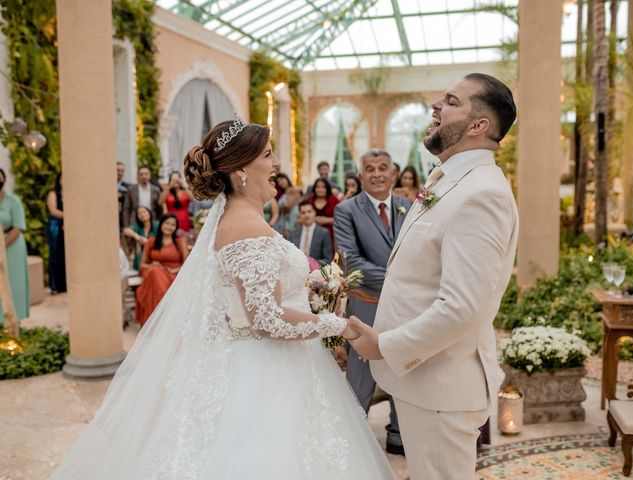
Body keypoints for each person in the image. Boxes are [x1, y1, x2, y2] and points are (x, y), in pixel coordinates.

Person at [50, 118, 394, 479]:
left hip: (271, 360)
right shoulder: (244, 225)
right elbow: (269, 320)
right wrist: (345, 326)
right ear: (242, 168)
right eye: (268, 154)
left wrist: (309, 293)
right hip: (268, 371)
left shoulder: (239, 219)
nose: (276, 164)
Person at [349, 73, 519, 479]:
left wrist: (385, 344)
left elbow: (463, 308)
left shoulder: (482, 193)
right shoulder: (449, 180)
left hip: (442, 387)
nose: (436, 107)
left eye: (451, 101)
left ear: (478, 126)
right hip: (423, 382)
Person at [333, 149, 412, 456]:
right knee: (361, 374)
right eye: (370, 169)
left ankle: (398, 434)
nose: (377, 174)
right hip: (367, 304)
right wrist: (399, 280)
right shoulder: (347, 210)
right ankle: (349, 440)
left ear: (393, 173)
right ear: (361, 175)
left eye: (383, 168)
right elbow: (351, 261)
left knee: (402, 365)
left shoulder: (410, 207)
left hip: (405, 307)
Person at [135, 213, 188, 326]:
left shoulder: (179, 242)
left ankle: (159, 319)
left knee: (155, 276)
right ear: (161, 224)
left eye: (172, 225)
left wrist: (176, 270)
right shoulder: (151, 242)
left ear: (175, 228)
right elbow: (142, 265)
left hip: (174, 275)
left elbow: (187, 264)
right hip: (154, 274)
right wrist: (152, 265)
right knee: (154, 273)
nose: (169, 227)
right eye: (167, 223)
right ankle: (160, 319)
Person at [0, 168, 29, 322]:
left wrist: (2, 246)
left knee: (13, 280)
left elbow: (18, 227)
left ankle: (15, 318)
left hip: (12, 245)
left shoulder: (13, 201)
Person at [288, 200, 332, 265]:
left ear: (314, 212)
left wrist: (312, 266)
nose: (306, 215)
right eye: (303, 213)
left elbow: (327, 259)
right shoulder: (292, 234)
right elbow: (289, 256)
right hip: (296, 269)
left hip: (316, 271)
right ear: (299, 215)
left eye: (309, 211)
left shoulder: (324, 233)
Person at [123, 206, 159, 271]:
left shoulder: (157, 224)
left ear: (149, 213)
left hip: (156, 253)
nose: (142, 214)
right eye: (139, 213)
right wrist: (137, 237)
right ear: (137, 217)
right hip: (142, 256)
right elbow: (126, 230)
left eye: (144, 212)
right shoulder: (138, 226)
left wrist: (148, 242)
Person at [47, 173, 66, 294]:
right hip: (55, 225)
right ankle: (54, 285)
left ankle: (64, 284)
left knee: (64, 254)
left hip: (66, 226)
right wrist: (68, 216)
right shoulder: (53, 193)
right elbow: (53, 210)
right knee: (55, 254)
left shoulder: (71, 193)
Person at [307, 177, 340, 244]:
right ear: (314, 188)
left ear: (327, 189)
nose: (320, 189)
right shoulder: (309, 200)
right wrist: (313, 219)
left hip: (331, 235)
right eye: (318, 187)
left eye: (323, 187)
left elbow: (342, 218)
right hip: (311, 234)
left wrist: (327, 220)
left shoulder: (334, 201)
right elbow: (300, 217)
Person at [274, 173, 302, 238]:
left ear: (287, 179)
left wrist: (279, 208)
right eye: (278, 182)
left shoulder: (294, 190)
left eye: (282, 179)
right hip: (283, 220)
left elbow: (288, 207)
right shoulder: (282, 193)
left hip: (292, 218)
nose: (280, 182)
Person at [116, 162, 130, 230]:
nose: (120, 173)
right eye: (118, 170)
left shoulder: (128, 187)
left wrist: (121, 195)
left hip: (123, 218)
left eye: (122, 171)